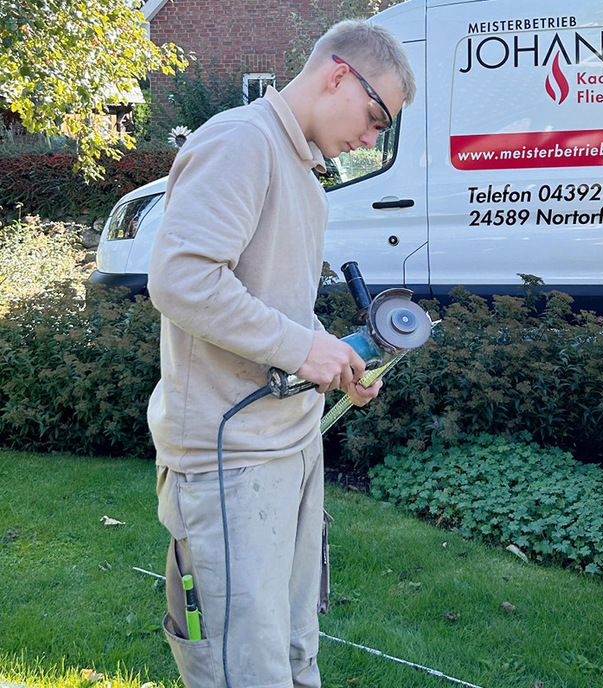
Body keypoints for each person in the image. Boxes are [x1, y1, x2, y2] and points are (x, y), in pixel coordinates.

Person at [146, 19, 416, 688]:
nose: (373, 137)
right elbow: (180, 279)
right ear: (336, 76)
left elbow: (268, 306)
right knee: (246, 668)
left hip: (288, 447)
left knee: (294, 653)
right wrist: (301, 347)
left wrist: (336, 360)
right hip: (229, 459)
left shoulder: (299, 164)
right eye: (377, 114)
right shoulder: (243, 142)